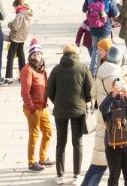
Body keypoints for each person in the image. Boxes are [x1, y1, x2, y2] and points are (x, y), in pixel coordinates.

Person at [49, 42, 94, 180]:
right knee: (77, 142)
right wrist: (83, 102)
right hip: (78, 111)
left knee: (61, 142)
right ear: (76, 54)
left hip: (60, 111)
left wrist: (57, 102)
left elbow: (49, 91)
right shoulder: (83, 68)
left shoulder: (56, 69)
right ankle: (77, 175)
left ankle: (60, 175)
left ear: (64, 54)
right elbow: (90, 92)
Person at [99, 80, 127, 186]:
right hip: (112, 145)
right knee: (114, 176)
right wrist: (112, 95)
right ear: (112, 88)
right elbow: (103, 109)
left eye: (123, 84)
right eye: (116, 86)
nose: (120, 87)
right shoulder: (109, 101)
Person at [22, 47, 55, 171]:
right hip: (33, 108)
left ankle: (43, 157)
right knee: (34, 134)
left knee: (48, 132)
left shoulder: (42, 69)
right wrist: (31, 108)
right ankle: (32, 162)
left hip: (43, 106)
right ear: (30, 56)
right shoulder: (27, 70)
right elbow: (25, 92)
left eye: (39, 54)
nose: (37, 57)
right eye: (34, 54)